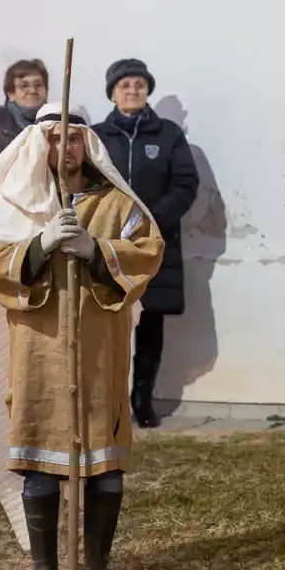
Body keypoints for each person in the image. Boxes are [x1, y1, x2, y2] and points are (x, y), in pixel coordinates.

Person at [0, 103, 163, 570]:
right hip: (39, 347)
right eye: (53, 139)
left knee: (105, 456)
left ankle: (97, 565)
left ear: (87, 145)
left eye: (73, 138)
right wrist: (38, 246)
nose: (64, 148)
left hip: (100, 346)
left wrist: (97, 251)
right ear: (38, 145)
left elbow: (150, 248)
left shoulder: (118, 204)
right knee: (39, 455)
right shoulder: (16, 204)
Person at [93, 59, 199, 428]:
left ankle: (142, 398)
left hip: (154, 244)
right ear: (112, 93)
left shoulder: (168, 134)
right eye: (125, 85)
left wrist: (151, 221)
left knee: (150, 324)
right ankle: (109, 401)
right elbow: (84, 184)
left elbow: (186, 184)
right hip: (106, 245)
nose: (133, 90)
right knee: (108, 325)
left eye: (139, 84)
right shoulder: (95, 136)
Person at [0, 58, 49, 223]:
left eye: (38, 85)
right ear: (11, 94)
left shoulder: (53, 125)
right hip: (3, 218)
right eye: (24, 86)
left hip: (44, 216)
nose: (32, 90)